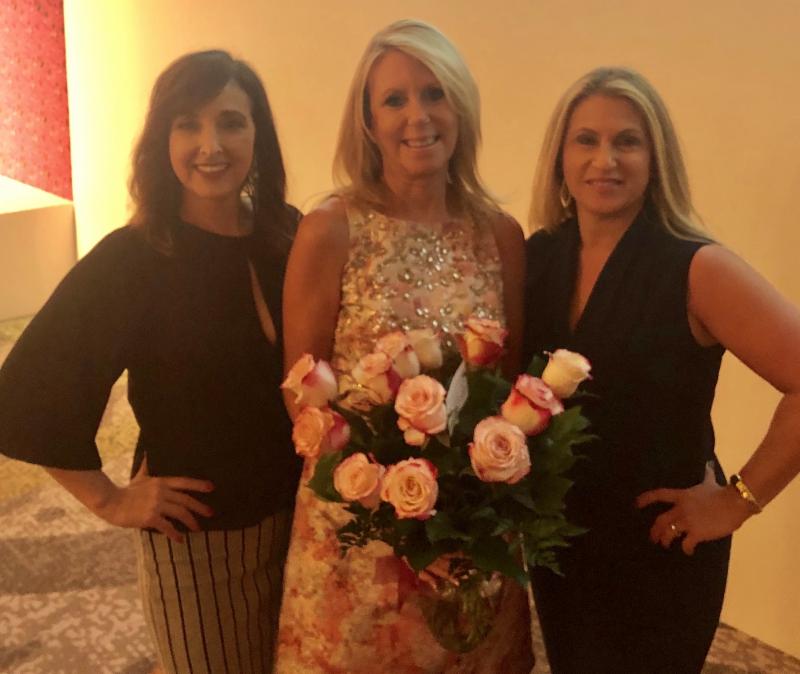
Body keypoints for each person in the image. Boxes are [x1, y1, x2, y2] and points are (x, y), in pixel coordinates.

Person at [0, 50, 302, 674]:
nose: (210, 145)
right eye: (188, 124)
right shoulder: (133, 259)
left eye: (231, 122)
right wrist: (110, 501)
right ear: (162, 140)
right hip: (200, 544)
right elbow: (30, 389)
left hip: (303, 528)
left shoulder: (286, 236)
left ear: (258, 136)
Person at [275, 19, 534, 673]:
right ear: (368, 122)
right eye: (394, 100)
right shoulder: (331, 229)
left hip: (471, 534)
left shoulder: (499, 234)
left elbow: (505, 394)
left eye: (434, 93)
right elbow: (305, 402)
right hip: (359, 532)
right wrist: (400, 515)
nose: (418, 116)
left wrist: (467, 517)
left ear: (460, 106)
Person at [523, 66, 800, 673]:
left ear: (656, 159)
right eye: (586, 140)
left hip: (662, 549)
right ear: (560, 158)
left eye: (627, 141)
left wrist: (737, 501)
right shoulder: (538, 258)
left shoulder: (697, 268)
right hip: (563, 546)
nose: (605, 160)